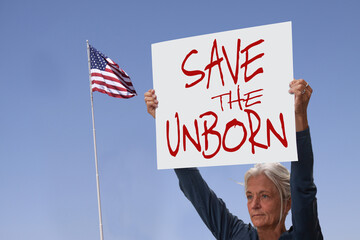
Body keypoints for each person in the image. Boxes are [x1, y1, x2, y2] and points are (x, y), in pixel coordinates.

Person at [144, 79, 323, 240]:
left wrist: (299, 116)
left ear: (288, 203)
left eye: (265, 196)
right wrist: (166, 123)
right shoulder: (236, 235)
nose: (254, 205)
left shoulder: (304, 235)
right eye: (249, 196)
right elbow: (196, 190)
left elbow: (302, 186)